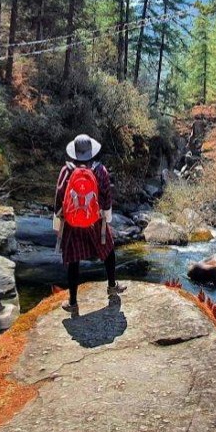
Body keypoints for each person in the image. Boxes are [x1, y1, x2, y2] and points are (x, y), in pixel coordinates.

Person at [54, 134, 126, 312]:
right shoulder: (100, 170)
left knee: (74, 260)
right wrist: (106, 219)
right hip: (95, 221)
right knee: (108, 249)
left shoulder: (67, 170)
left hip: (72, 223)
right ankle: (111, 286)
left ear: (75, 152)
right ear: (91, 152)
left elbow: (59, 198)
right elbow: (107, 197)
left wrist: (57, 225)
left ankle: (72, 302)